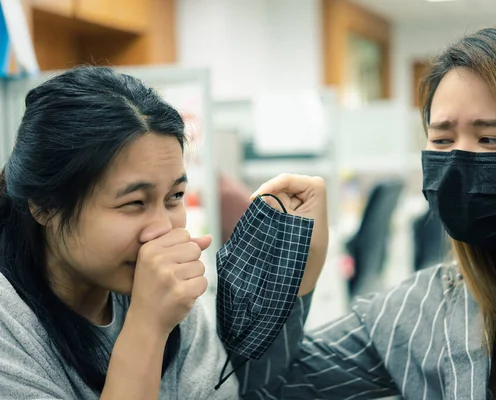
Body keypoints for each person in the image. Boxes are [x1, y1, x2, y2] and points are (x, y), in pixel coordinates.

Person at [241, 22, 496, 400]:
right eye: (441, 139)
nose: (460, 160)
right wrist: (291, 277)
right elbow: (269, 387)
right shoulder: (420, 312)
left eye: (491, 138)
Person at [0, 67, 327, 399]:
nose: (163, 231)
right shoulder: (10, 327)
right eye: (135, 202)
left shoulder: (167, 297)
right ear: (44, 206)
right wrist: (148, 327)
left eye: (175, 197)